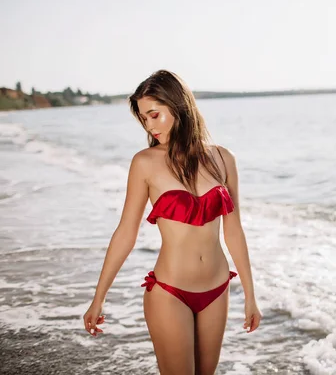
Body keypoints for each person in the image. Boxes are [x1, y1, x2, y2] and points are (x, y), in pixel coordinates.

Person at [83, 69, 262, 374]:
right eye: (143, 118)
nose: (149, 125)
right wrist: (98, 297)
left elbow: (234, 231)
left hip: (218, 289)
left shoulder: (222, 158)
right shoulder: (145, 163)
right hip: (170, 292)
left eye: (154, 114)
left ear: (178, 107)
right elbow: (126, 232)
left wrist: (250, 295)